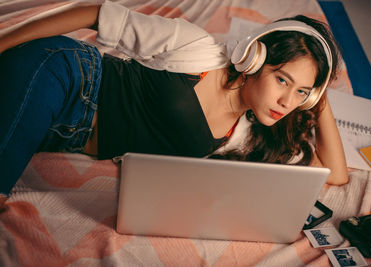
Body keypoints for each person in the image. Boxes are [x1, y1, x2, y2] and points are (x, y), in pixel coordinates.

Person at [0, 1, 348, 207]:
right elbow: (95, 12)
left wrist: (318, 95)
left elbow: (336, 173)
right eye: (282, 80)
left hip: (62, 132)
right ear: (253, 59)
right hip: (67, 73)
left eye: (301, 92)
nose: (287, 101)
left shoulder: (247, 133)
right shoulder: (197, 50)